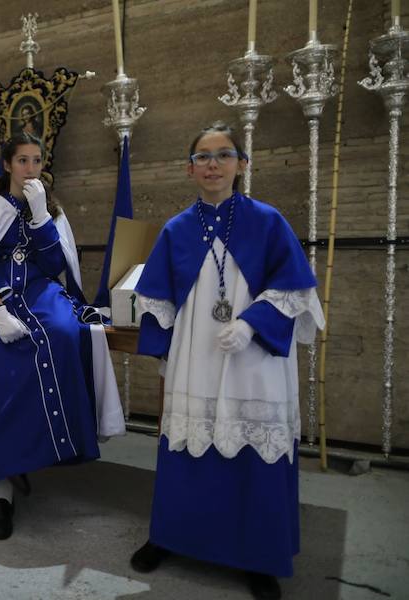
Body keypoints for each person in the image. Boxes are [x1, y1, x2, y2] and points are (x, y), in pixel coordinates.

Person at [130, 122, 325, 600]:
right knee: (187, 438)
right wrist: (165, 352)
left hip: (252, 357)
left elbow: (297, 289)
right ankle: (170, 536)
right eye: (202, 157)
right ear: (189, 168)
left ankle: (259, 558)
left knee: (252, 443)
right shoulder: (176, 229)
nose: (212, 164)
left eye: (223, 155)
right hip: (197, 352)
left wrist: (253, 322)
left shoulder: (268, 220)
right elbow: (156, 300)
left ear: (242, 164)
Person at [0, 132, 125, 540]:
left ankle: (52, 446)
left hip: (41, 294)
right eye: (22, 161)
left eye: (37, 161)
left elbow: (56, 263)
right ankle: (3, 487)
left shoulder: (51, 209)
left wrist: (40, 215)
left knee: (63, 333)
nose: (30, 169)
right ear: (6, 165)